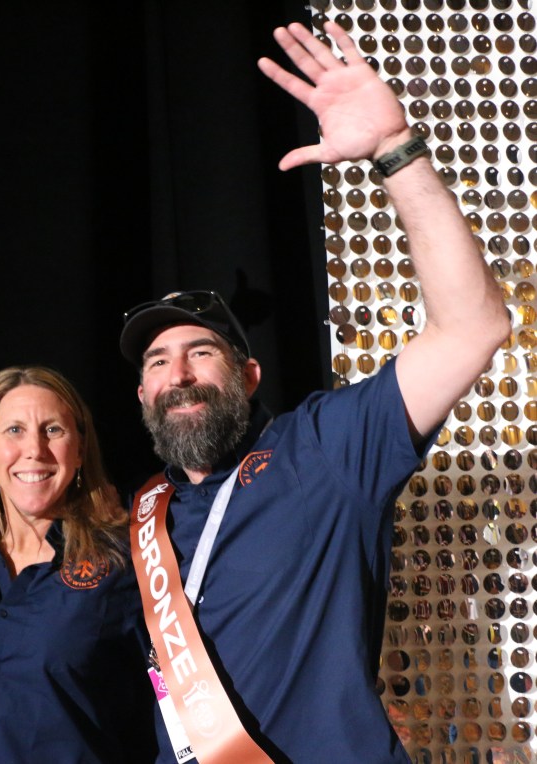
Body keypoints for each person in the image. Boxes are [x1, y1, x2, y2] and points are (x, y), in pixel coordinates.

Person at [118, 21, 509, 764]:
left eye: (201, 352)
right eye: (160, 362)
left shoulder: (322, 448)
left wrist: (395, 151)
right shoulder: (143, 516)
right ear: (142, 396)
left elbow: (472, 327)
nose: (180, 375)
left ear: (249, 374)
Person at [0, 366, 158, 763]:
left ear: (79, 447)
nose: (35, 450)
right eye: (14, 430)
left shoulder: (128, 559)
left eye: (53, 430)